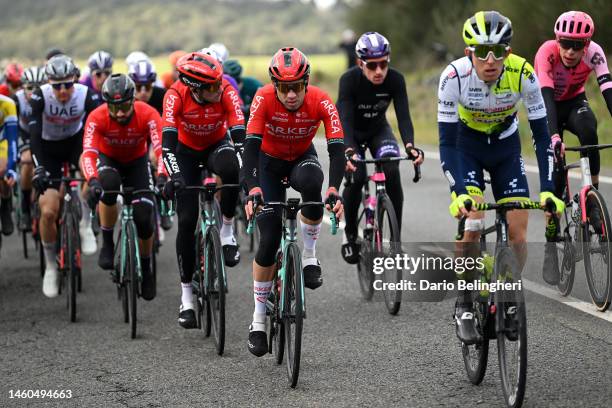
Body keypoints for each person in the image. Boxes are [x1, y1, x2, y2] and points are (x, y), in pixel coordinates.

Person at [437, 11, 564, 344]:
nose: (489, 60)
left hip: (506, 147)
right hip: (466, 146)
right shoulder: (453, 77)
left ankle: (506, 292)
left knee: (519, 234)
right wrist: (460, 191)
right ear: (469, 53)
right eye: (481, 51)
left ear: (508, 51)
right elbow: (447, 143)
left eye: (497, 51)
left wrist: (549, 189)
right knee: (474, 221)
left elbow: (540, 135)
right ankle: (465, 303)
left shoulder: (523, 73)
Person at [242, 47, 345, 356]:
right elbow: (249, 148)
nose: (290, 94)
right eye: (284, 88)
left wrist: (335, 189)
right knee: (269, 239)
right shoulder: (262, 97)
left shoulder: (321, 100)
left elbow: (337, 149)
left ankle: (309, 257)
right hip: (269, 164)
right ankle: (259, 319)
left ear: (306, 83)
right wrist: (252, 188)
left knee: (315, 183)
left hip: (302, 159)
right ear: (275, 86)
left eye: (296, 87)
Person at [160, 52, 244, 329]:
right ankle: (186, 298)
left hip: (215, 146)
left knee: (232, 169)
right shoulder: (174, 95)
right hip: (184, 153)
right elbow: (168, 146)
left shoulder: (226, 91)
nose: (219, 88)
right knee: (185, 221)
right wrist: (173, 177)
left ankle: (228, 232)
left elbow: (241, 135)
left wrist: (247, 172)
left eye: (219, 81)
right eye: (211, 86)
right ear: (194, 87)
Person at [338, 31, 424, 264]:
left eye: (383, 64)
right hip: (351, 133)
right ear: (359, 63)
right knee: (357, 176)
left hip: (378, 130)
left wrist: (410, 146)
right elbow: (343, 119)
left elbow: (404, 117)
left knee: (392, 170)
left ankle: (395, 242)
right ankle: (350, 235)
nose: (379, 71)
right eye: (372, 65)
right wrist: (348, 150)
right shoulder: (348, 80)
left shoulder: (395, 80)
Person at [82, 74, 163, 300]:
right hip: (110, 161)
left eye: (125, 106)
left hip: (137, 164)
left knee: (144, 217)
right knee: (106, 187)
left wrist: (163, 175)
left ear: (133, 100)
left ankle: (146, 269)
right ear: (106, 104)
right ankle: (107, 244)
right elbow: (88, 153)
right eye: (114, 107)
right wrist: (92, 180)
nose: (119, 113)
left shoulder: (147, 113)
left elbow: (160, 148)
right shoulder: (96, 117)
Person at [30, 54, 100, 297]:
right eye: (57, 86)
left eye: (67, 85)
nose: (63, 91)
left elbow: (96, 129)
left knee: (89, 173)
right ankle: (51, 265)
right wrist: (38, 167)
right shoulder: (40, 95)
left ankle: (85, 224)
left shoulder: (86, 94)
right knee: (48, 210)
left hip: (75, 144)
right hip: (48, 149)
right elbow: (35, 137)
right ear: (49, 84)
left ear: (75, 81)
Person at [534, 11, 612, 198]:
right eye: (566, 43)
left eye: (577, 46)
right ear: (557, 40)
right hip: (548, 104)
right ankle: (554, 219)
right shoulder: (547, 52)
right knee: (556, 180)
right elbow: (546, 99)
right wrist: (554, 136)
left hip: (574, 102)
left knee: (589, 132)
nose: (570, 51)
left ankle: (593, 197)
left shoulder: (594, 53)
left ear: (586, 45)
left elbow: (608, 91)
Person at [11, 66, 48, 230]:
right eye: (30, 88)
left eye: (38, 87)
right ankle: (25, 207)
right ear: (22, 87)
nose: (34, 91)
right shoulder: (16, 99)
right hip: (24, 133)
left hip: (43, 133)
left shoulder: (49, 96)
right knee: (27, 160)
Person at [0, 93, 18, 236]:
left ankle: (5, 203)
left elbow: (12, 140)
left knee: (2, 168)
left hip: (2, 140)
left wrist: (11, 169)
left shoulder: (7, 104)